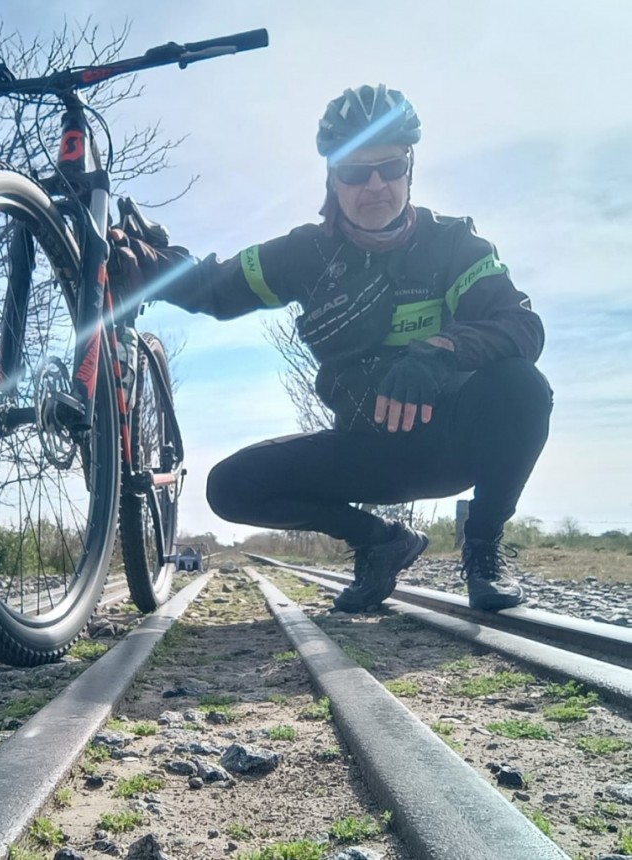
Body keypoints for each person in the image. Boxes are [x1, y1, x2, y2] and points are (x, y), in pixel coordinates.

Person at [110, 83, 553, 612]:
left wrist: (439, 351)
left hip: (450, 446)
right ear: (332, 179)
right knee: (230, 487)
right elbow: (215, 287)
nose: (374, 185)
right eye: (353, 172)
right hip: (366, 450)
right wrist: (143, 261)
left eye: (389, 168)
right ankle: (380, 542)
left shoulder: (454, 243)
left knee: (523, 386)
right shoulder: (306, 254)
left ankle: (482, 549)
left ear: (409, 169)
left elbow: (522, 326)